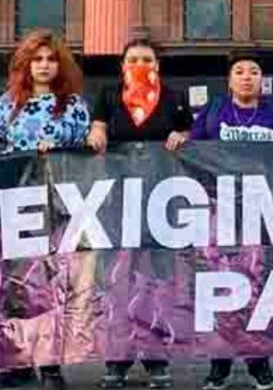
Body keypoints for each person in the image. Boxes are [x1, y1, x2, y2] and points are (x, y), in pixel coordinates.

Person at [86, 38, 191, 389]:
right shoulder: (107, 94)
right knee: (118, 280)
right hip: (117, 200)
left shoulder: (175, 97)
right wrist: (97, 133)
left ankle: (156, 358)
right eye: (133, 59)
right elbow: (98, 125)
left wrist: (182, 134)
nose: (140, 64)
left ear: (157, 65)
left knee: (157, 282)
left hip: (161, 200)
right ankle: (117, 359)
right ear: (123, 65)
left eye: (147, 58)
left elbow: (187, 131)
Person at [192, 52, 273, 390]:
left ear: (262, 80)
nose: (246, 76)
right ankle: (219, 364)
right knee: (221, 289)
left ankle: (259, 363)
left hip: (263, 214)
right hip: (221, 212)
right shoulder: (214, 111)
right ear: (229, 80)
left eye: (254, 71)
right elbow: (193, 152)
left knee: (258, 290)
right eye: (239, 71)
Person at [0, 29, 90, 390]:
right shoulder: (6, 106)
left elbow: (84, 142)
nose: (43, 65)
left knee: (54, 284)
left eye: (50, 59)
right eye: (36, 59)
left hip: (60, 206)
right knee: (16, 285)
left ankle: (51, 364)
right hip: (16, 205)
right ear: (25, 64)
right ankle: (16, 360)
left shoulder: (73, 106)